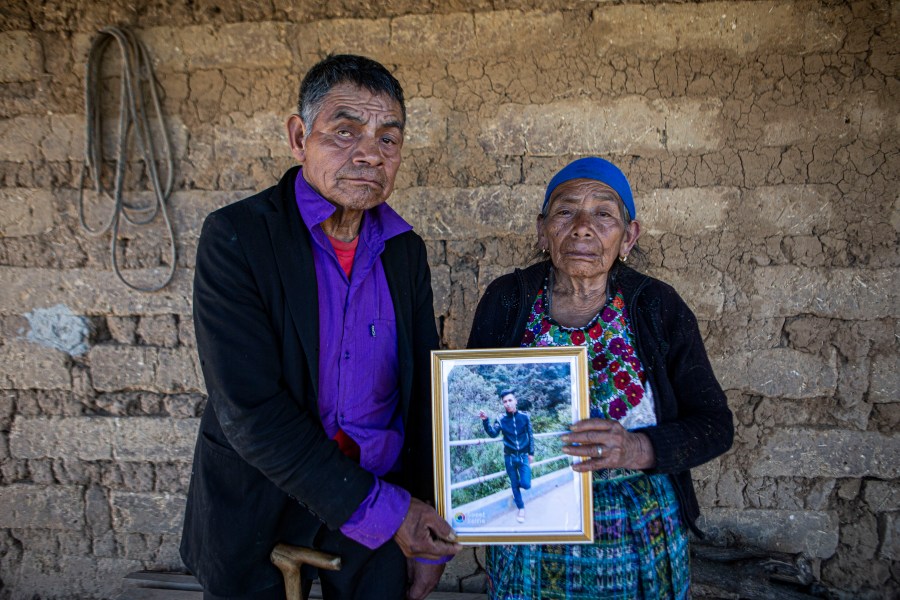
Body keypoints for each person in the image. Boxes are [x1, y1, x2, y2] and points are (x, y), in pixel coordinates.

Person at [180, 54, 460, 600]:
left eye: (388, 139)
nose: (368, 154)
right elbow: (250, 411)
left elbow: (423, 397)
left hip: (380, 513)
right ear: (297, 136)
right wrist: (388, 514)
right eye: (344, 131)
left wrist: (422, 526)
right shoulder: (237, 238)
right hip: (259, 505)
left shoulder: (405, 252)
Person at [468, 157, 734, 598]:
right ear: (542, 230)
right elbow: (473, 388)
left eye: (603, 214)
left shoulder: (657, 307)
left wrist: (637, 447)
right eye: (566, 211)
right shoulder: (507, 300)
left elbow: (715, 425)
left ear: (629, 236)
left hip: (638, 536)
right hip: (533, 538)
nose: (583, 227)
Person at [478, 390, 535, 523]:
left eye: (510, 400)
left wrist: (531, 453)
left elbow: (530, 435)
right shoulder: (501, 419)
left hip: (523, 456)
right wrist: (486, 421)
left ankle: (517, 494)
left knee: (526, 484)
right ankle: (521, 508)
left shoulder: (525, 417)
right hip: (509, 457)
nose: (508, 404)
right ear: (503, 404)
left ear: (515, 401)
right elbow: (493, 433)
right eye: (505, 401)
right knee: (514, 483)